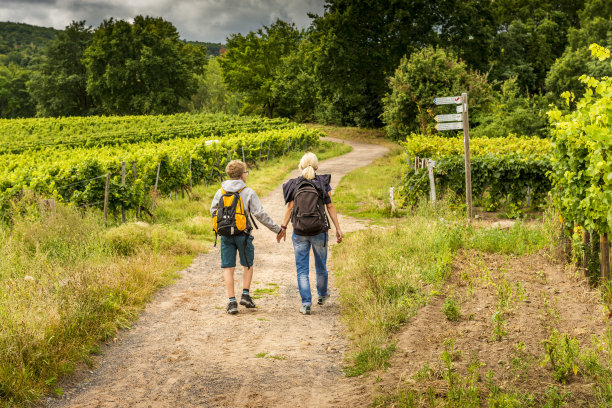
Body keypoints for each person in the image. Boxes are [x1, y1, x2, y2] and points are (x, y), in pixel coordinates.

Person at [211, 160, 283, 315]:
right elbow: (260, 215)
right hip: (243, 234)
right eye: (245, 172)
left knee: (228, 268)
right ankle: (245, 294)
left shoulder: (220, 192)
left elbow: (213, 212)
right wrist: (277, 229)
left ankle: (232, 303)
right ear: (242, 175)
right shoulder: (248, 191)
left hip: (225, 234)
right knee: (247, 264)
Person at [277, 152, 342, 315]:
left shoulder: (293, 184)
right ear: (317, 166)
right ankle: (322, 295)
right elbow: (330, 207)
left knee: (302, 270)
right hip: (319, 230)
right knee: (321, 266)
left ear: (300, 166)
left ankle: (306, 304)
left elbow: (290, 208)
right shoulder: (322, 182)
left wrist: (283, 228)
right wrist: (338, 228)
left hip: (299, 232)